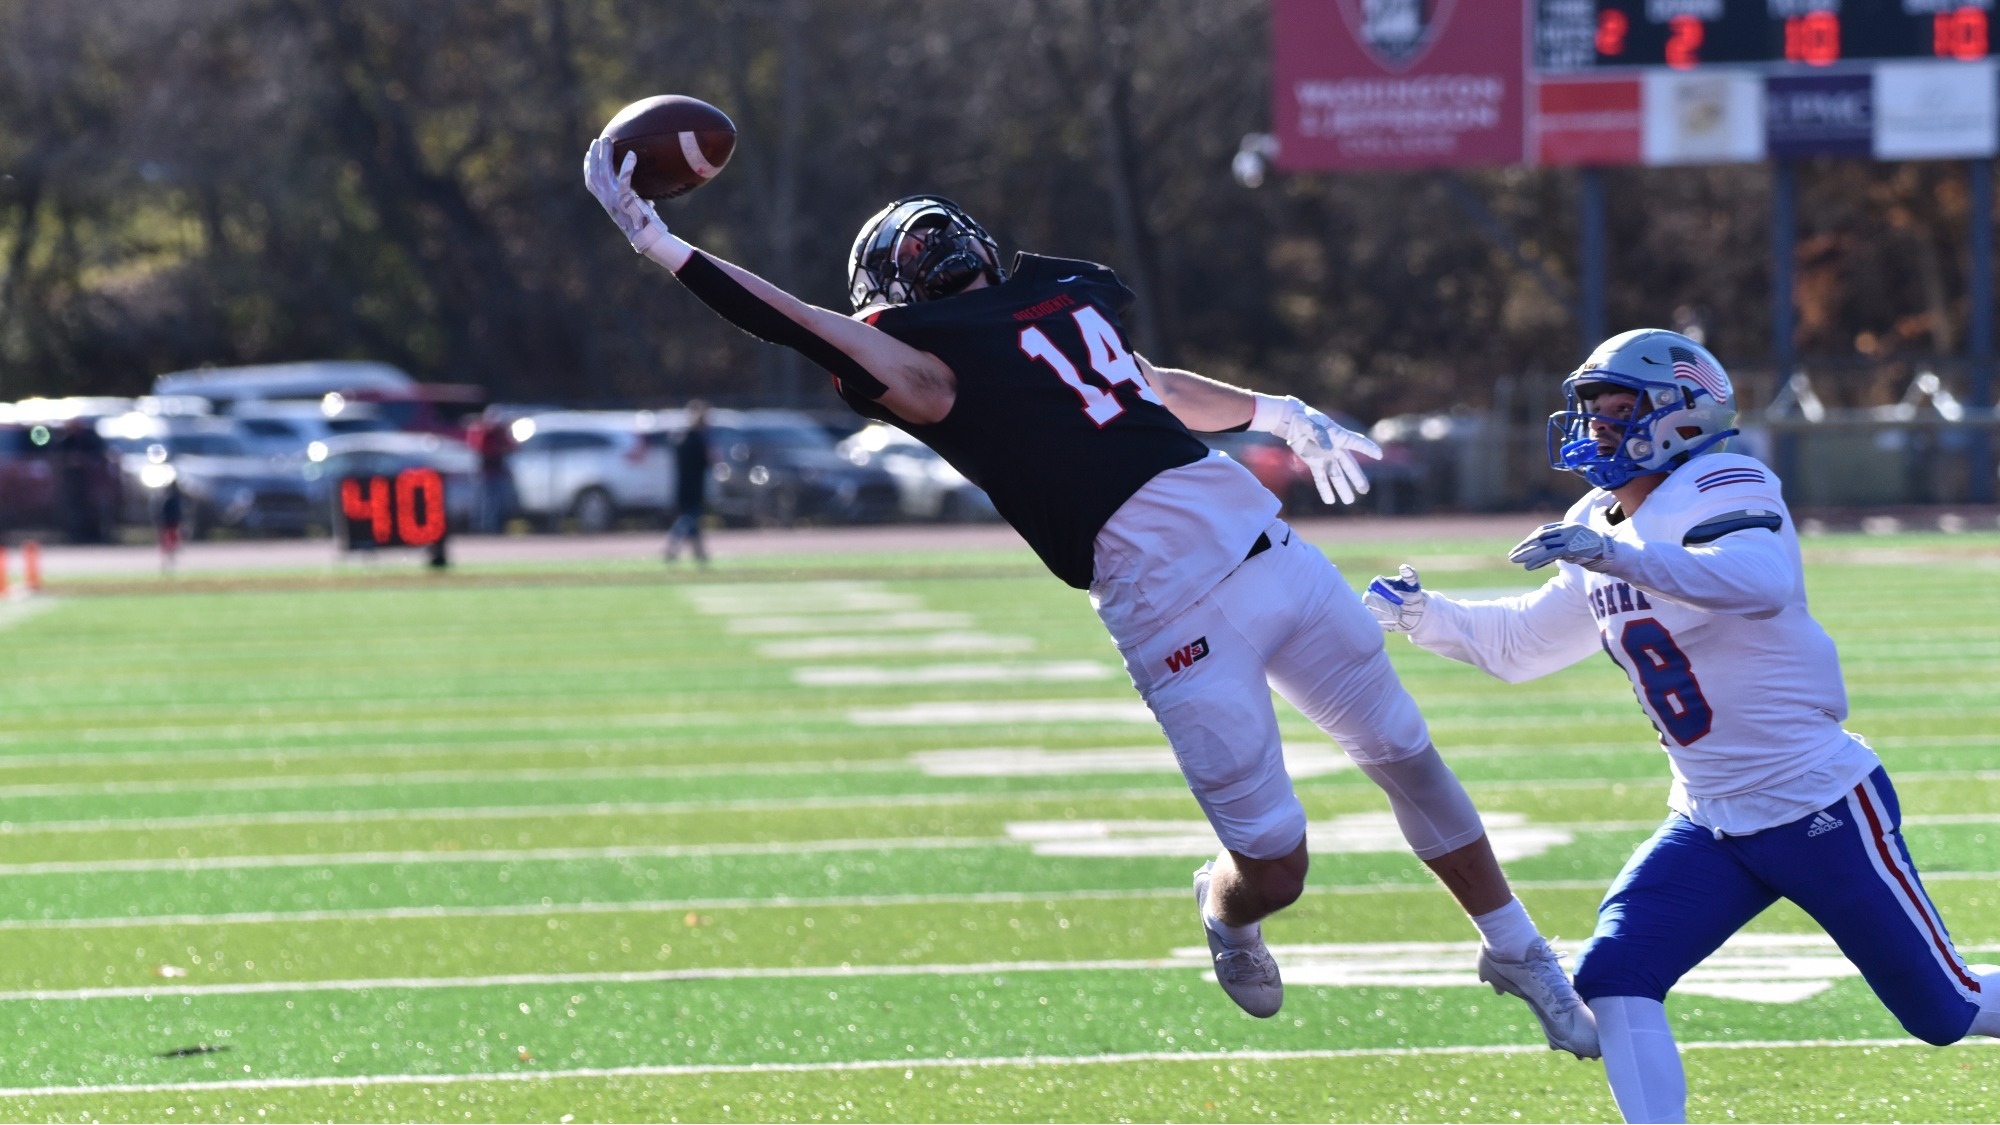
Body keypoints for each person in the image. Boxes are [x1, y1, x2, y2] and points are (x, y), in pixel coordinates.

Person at [583, 141, 1595, 1055]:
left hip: (1269, 552)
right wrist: (668, 250)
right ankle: (1224, 909)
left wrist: (1272, 412)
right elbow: (803, 327)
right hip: (1171, 614)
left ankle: (1513, 947)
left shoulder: (1050, 316)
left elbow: (1148, 382)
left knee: (1403, 752)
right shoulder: (932, 368)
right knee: (1275, 866)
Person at [1362, 328, 2000, 1122]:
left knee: (1946, 1009)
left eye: (1618, 410)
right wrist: (1424, 616)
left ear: (1682, 416)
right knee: (1617, 973)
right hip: (1708, 818)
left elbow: (1759, 581)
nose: (1597, 429)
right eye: (1591, 412)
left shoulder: (1721, 480)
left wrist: (1615, 555)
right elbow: (1522, 645)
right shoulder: (1596, 518)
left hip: (1815, 803)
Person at [665, 399, 712, 565]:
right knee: (688, 520)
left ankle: (700, 554)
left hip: (687, 487)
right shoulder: (694, 440)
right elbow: (704, 464)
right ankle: (673, 549)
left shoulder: (684, 438)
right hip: (691, 488)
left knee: (692, 522)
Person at [155, 476, 185, 573]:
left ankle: (169, 561)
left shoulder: (173, 499)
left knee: (171, 544)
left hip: (172, 524)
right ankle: (166, 562)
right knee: (168, 544)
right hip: (169, 524)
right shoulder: (170, 499)